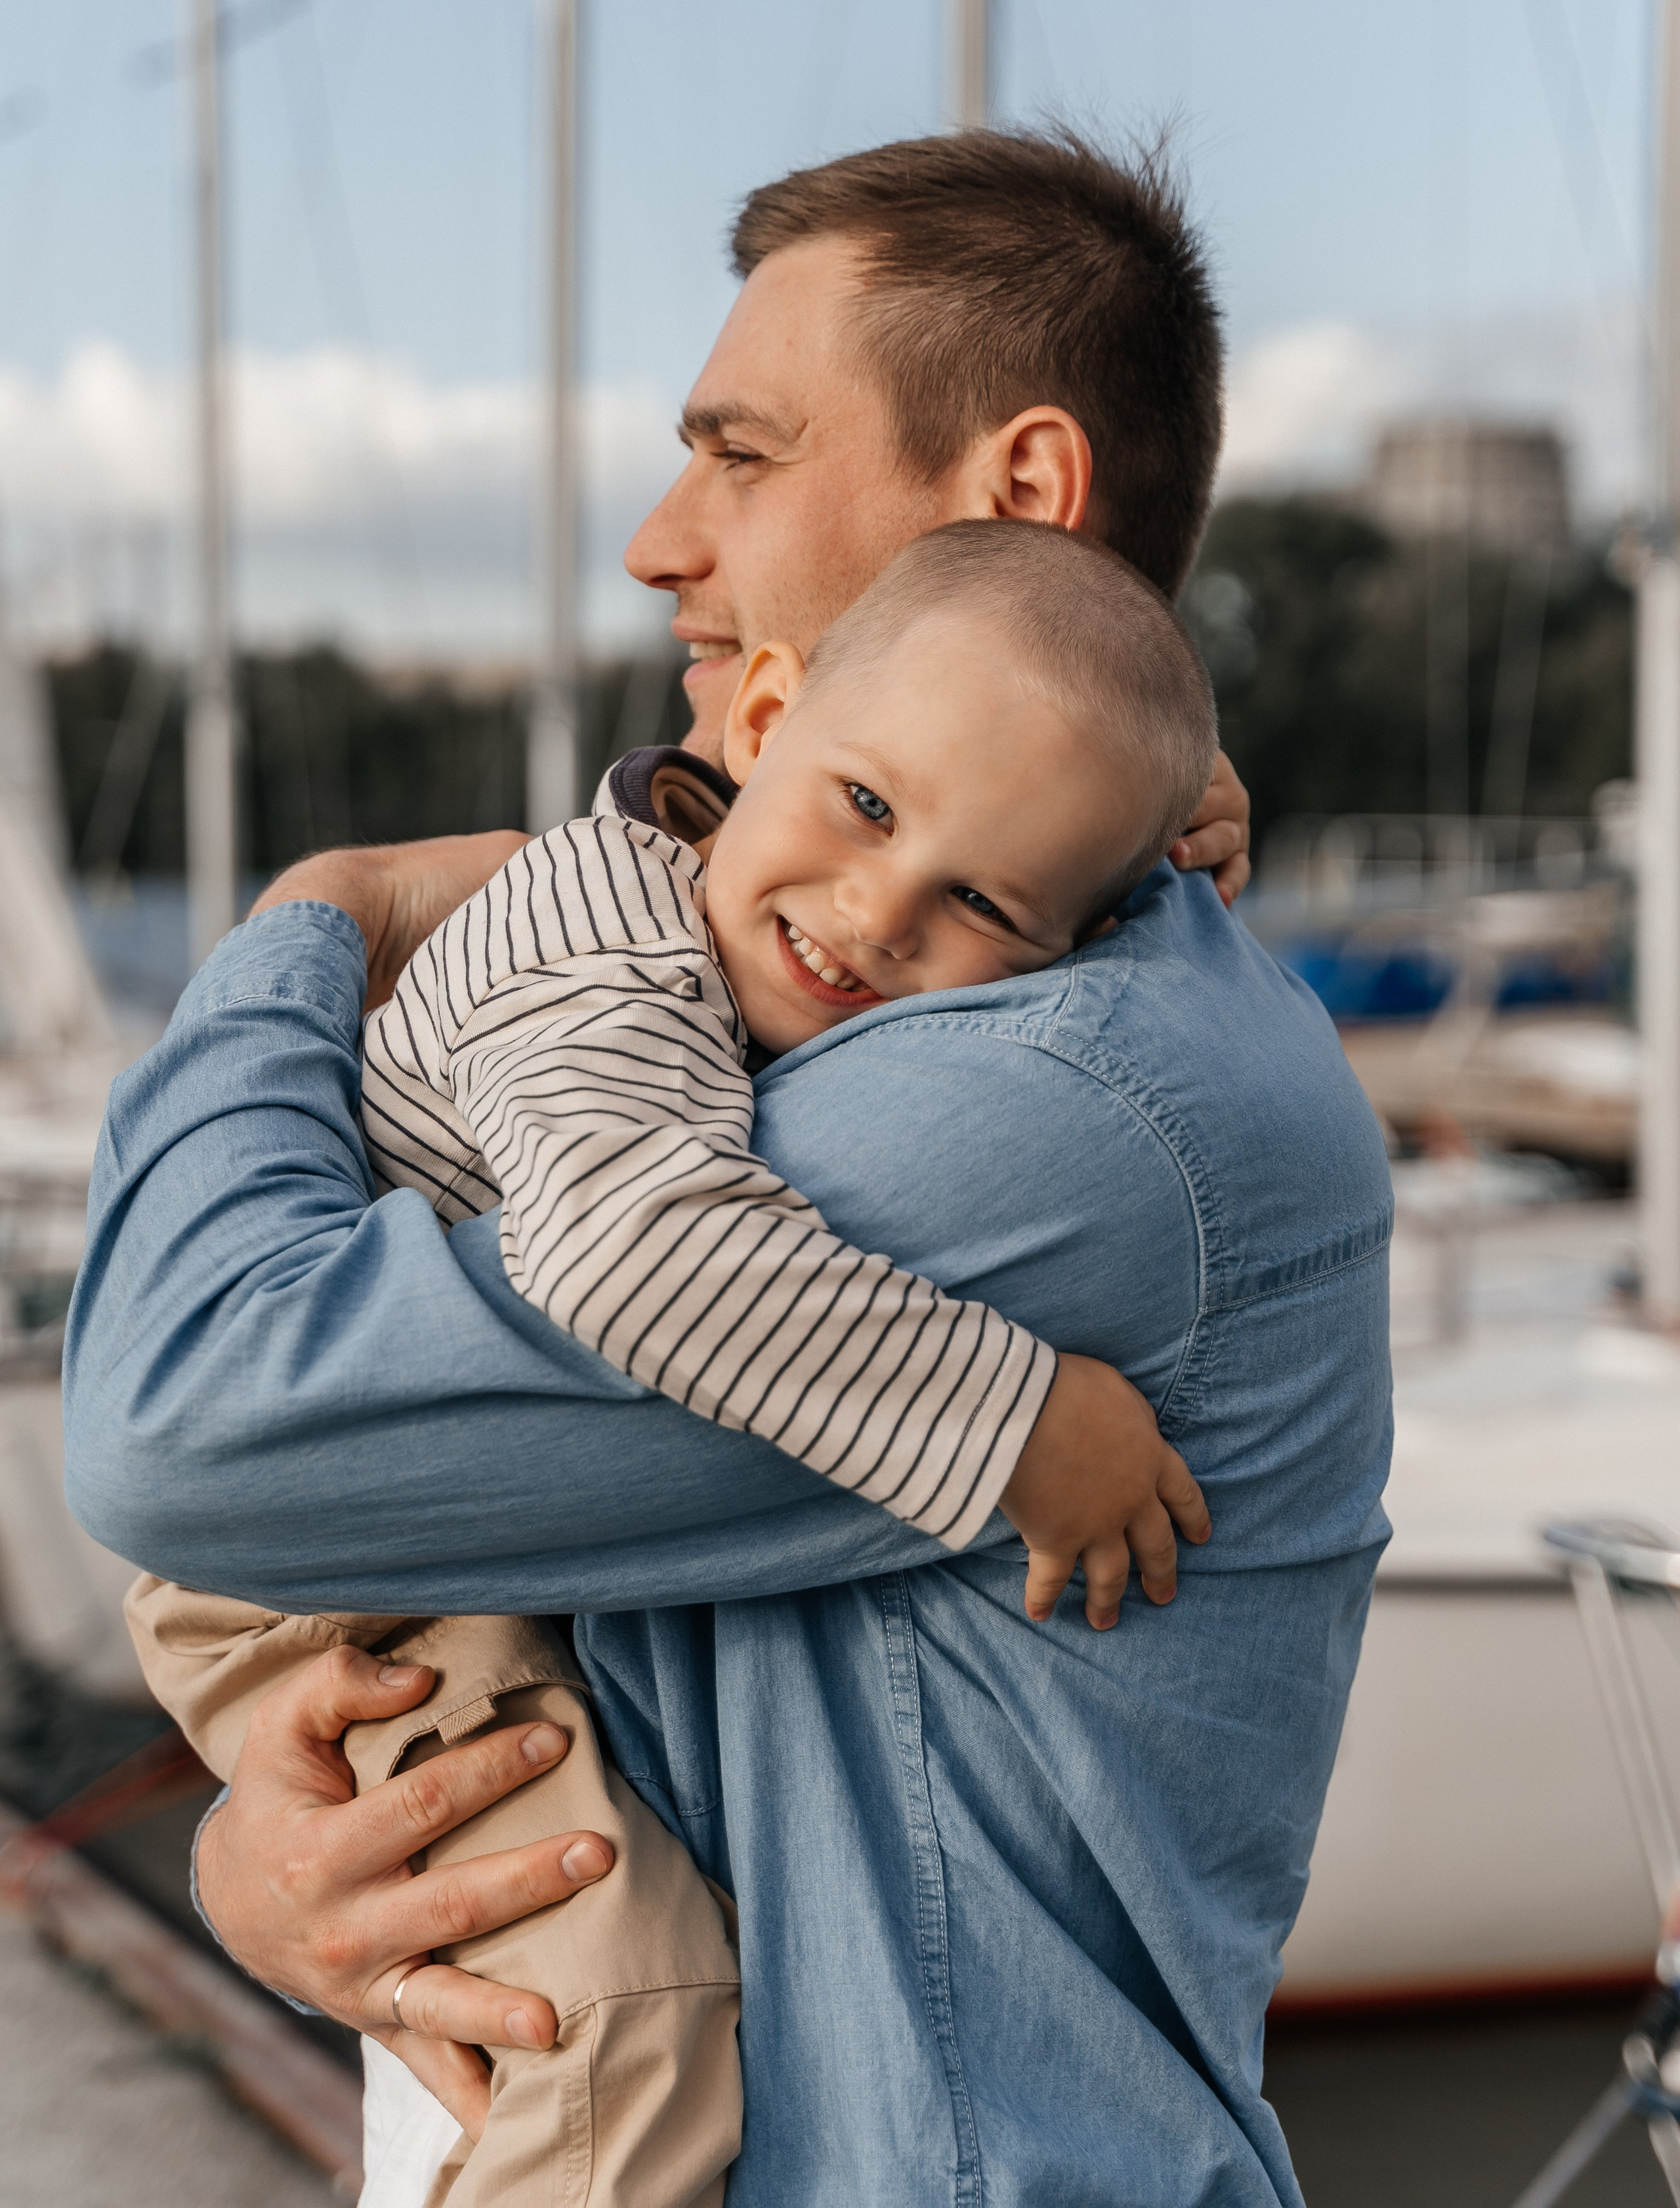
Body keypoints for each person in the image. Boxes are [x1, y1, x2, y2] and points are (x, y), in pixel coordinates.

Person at [64, 129, 1393, 2206]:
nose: (660, 541)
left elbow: (179, 1424)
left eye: (743, 455)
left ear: (1021, 495)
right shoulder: (828, 968)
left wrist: (314, 918)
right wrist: (279, 1845)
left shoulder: (1059, 1095)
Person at [125, 526, 1217, 2208]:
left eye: (983, 901)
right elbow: (626, 1250)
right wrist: (1011, 1417)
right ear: (760, 723)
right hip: (322, 1580)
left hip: (367, 1552)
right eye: (862, 809)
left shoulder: (716, 891)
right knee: (611, 2014)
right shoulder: (604, 970)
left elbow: (998, 746)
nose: (871, 915)